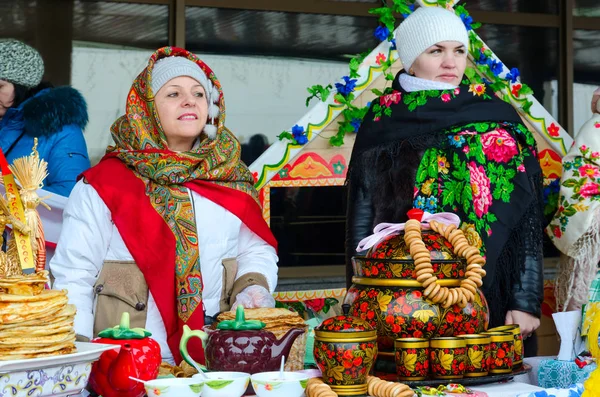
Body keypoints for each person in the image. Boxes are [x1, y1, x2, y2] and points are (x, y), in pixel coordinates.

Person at [50, 47, 279, 365]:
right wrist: (81, 358)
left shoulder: (230, 176)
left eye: (199, 93)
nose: (190, 101)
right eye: (173, 93)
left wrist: (253, 285)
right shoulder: (103, 185)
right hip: (128, 363)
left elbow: (255, 251)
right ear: (145, 108)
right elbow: (73, 276)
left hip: (219, 358)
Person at [346, 7, 544, 350]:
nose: (450, 63)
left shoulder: (496, 115)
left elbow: (526, 216)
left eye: (459, 51)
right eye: (436, 51)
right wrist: (358, 287)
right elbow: (362, 215)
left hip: (491, 294)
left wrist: (525, 299)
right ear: (410, 60)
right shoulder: (382, 119)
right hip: (406, 299)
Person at [0, 39, 90, 196]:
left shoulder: (61, 130)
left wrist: (9, 202)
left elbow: (71, 195)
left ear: (22, 85)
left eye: (0, 86)